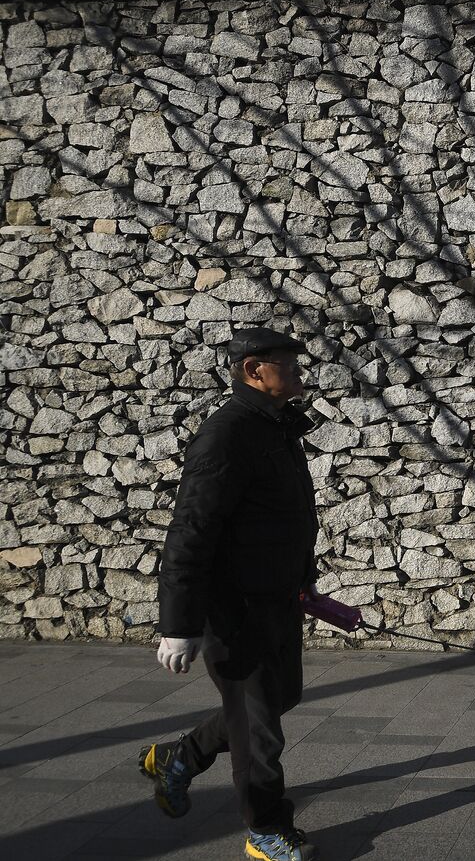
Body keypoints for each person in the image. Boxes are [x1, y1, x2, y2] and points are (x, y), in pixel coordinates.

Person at [141, 327, 322, 861]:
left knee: (279, 699)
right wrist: (178, 624)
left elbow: (283, 517)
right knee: (259, 730)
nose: (297, 370)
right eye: (287, 363)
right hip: (235, 611)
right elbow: (192, 529)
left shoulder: (275, 427)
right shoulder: (228, 434)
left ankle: (182, 755)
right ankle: (265, 830)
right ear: (253, 369)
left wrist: (301, 577)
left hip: (276, 597)